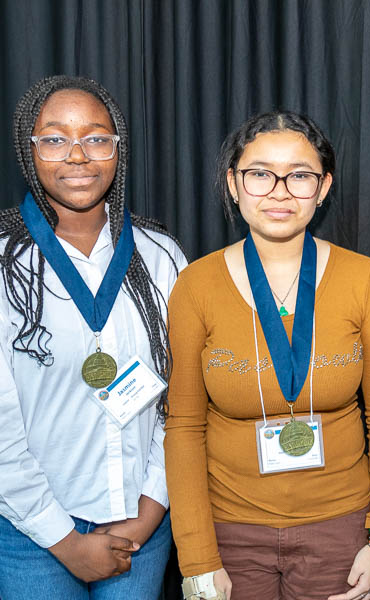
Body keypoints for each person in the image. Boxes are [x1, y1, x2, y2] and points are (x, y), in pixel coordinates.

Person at [165, 111, 370, 600]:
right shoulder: (195, 286)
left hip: (342, 530)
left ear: (324, 186)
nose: (279, 191)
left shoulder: (365, 280)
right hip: (229, 534)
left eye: (299, 175)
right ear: (233, 183)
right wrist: (197, 557)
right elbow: (183, 426)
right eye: (259, 174)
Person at [0, 75, 187, 599]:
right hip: (29, 533)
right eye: (55, 138)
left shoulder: (162, 257)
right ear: (28, 149)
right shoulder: (4, 264)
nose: (78, 155)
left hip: (142, 525)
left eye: (97, 137)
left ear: (118, 148)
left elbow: (183, 402)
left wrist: (149, 514)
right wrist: (63, 541)